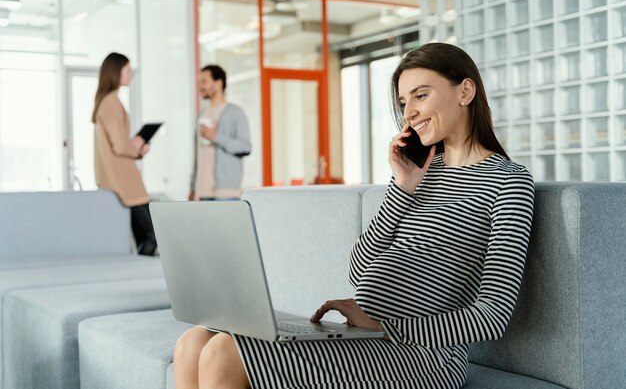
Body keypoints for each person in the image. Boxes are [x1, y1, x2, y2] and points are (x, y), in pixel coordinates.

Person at [172, 43, 535, 389]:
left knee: (224, 352)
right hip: (366, 337)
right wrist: (402, 187)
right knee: (193, 341)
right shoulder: (419, 172)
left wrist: (385, 326)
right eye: (404, 102)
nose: (408, 112)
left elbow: (493, 314)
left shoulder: (508, 182)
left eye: (421, 95)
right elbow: (358, 269)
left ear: (465, 92)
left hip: (423, 357)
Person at [92, 52, 157, 257]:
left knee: (143, 237)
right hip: (125, 182)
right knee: (152, 236)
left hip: (121, 180)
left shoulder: (106, 101)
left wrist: (136, 150)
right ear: (116, 73)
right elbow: (120, 146)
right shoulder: (111, 102)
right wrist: (136, 149)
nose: (131, 75)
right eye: (128, 70)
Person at [189, 65, 251, 201]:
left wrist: (216, 136)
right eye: (199, 82)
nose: (200, 86)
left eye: (204, 81)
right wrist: (193, 187)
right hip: (201, 192)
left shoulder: (235, 113)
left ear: (218, 83)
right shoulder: (202, 114)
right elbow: (197, 155)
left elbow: (245, 147)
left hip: (225, 192)